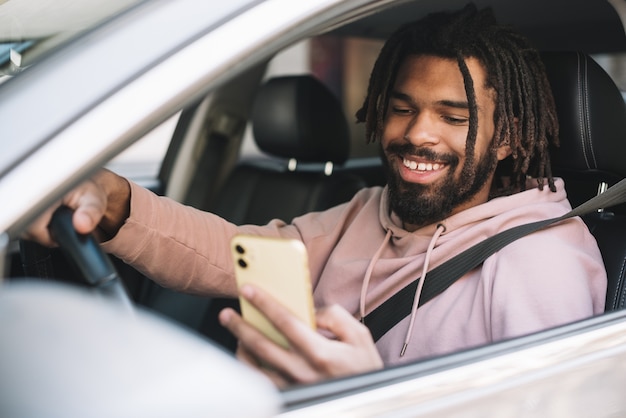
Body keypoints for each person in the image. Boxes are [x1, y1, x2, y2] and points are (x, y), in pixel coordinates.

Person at [26, 4, 607, 387]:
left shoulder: (541, 259)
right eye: (402, 108)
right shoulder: (366, 211)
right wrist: (115, 200)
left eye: (454, 117)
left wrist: (363, 391)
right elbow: (235, 255)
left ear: (507, 139)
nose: (416, 134)